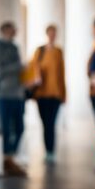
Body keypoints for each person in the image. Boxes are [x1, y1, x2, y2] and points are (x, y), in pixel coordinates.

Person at [0, 21, 26, 176]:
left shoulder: (15, 47)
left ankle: (9, 158)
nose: (15, 31)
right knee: (5, 129)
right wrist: (17, 66)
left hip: (18, 94)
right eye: (12, 29)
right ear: (5, 30)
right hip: (4, 94)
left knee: (19, 128)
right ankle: (6, 160)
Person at [31, 24, 66, 163]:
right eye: (50, 33)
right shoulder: (39, 51)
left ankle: (51, 151)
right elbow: (33, 69)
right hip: (41, 94)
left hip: (55, 94)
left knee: (51, 123)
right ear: (47, 34)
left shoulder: (58, 51)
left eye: (54, 33)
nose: (52, 35)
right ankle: (47, 151)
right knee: (45, 123)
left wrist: (64, 93)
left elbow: (62, 73)